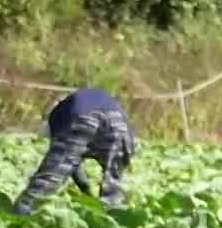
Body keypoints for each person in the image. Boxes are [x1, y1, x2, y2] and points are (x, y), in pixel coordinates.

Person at [11, 86, 137, 215]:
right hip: (122, 128)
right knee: (113, 186)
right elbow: (75, 164)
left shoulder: (57, 116)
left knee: (50, 176)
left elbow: (65, 161)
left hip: (84, 117)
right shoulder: (78, 101)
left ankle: (21, 213)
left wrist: (84, 187)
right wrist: (87, 192)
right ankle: (114, 221)